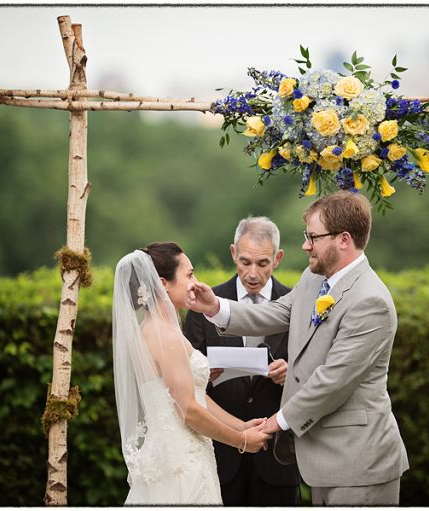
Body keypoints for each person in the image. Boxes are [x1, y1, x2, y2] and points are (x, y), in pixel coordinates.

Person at [190, 191, 410, 505]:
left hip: (360, 463)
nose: (306, 245)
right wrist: (215, 308)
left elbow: (332, 381)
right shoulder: (313, 277)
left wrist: (275, 422)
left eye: (313, 237)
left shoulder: (370, 301)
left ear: (343, 239)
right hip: (322, 462)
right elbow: (275, 313)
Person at [112, 242, 271, 505]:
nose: (196, 283)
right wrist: (241, 440)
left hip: (181, 453)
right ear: (163, 283)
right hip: (181, 463)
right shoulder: (164, 335)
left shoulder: (163, 330)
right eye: (189, 275)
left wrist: (241, 424)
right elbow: (189, 410)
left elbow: (195, 395)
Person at [184, 217, 300, 505]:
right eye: (245, 261)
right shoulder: (205, 303)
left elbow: (315, 367)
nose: (252, 273)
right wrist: (205, 374)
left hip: (276, 455)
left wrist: (292, 371)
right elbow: (184, 374)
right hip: (221, 452)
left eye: (262, 263)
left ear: (278, 258)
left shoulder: (295, 303)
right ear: (234, 253)